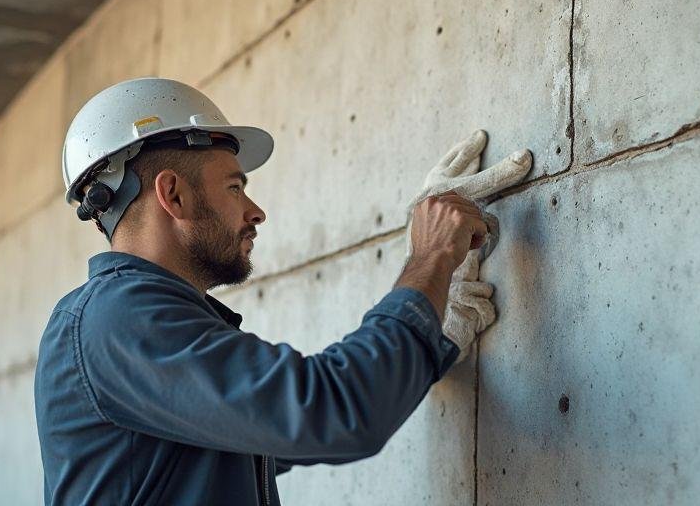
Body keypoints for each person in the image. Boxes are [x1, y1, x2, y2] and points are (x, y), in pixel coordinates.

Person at [34, 78, 533, 505]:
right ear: (174, 195)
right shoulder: (118, 317)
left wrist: (434, 328)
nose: (255, 211)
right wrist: (429, 259)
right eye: (234, 187)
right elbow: (335, 413)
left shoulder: (128, 326)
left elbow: (283, 433)